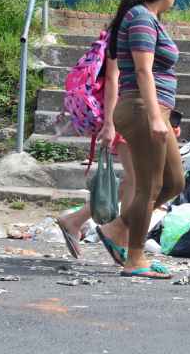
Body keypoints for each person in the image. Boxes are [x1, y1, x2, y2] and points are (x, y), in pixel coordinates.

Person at [95, 0, 185, 280]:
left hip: (154, 109)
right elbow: (144, 70)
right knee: (150, 186)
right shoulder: (141, 18)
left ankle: (117, 228)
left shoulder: (150, 18)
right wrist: (156, 118)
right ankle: (135, 258)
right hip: (142, 109)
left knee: (175, 182)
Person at [56, 53, 134, 258]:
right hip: (126, 114)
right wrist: (109, 123)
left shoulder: (130, 29)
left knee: (134, 181)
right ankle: (120, 239)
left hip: (133, 111)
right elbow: (112, 79)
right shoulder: (125, 32)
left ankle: (77, 220)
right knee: (138, 180)